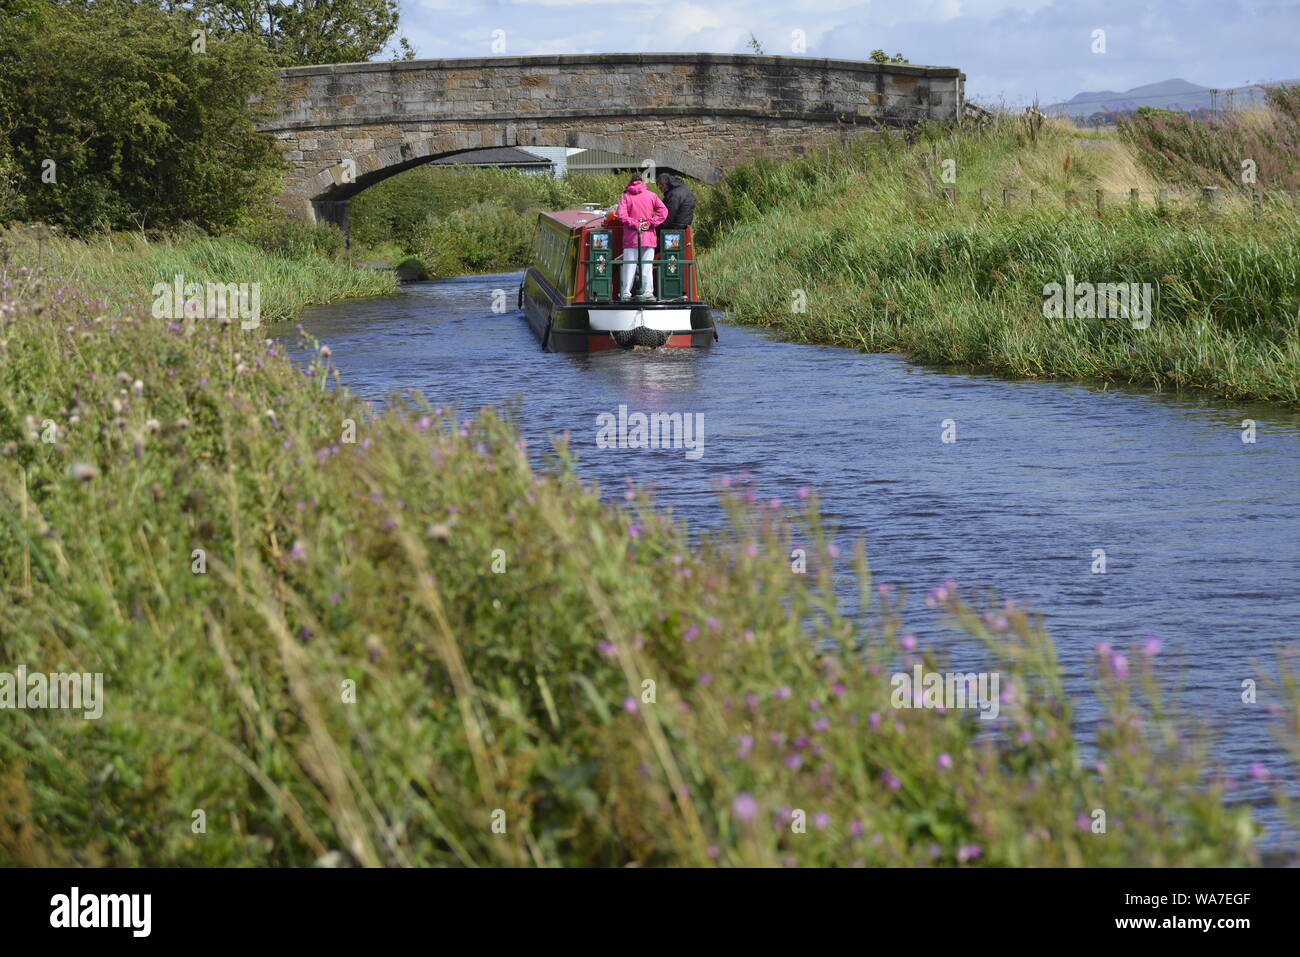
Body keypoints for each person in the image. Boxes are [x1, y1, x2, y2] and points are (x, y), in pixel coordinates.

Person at [615, 176, 667, 301]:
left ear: (630, 182)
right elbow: (664, 212)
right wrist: (651, 223)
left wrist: (636, 224)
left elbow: (621, 215)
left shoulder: (626, 197)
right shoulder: (652, 195)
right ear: (642, 182)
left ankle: (626, 294)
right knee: (647, 266)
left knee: (629, 266)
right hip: (648, 237)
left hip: (631, 238)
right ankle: (648, 293)